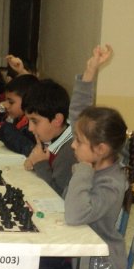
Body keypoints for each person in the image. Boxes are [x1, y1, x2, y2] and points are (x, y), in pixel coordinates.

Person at [21, 45, 113, 196]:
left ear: (57, 120)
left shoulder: (70, 153)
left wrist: (41, 164)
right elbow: (78, 109)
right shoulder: (58, 136)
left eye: (34, 121)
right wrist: (89, 71)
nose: (30, 128)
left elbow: (60, 197)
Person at [64, 106, 131, 269]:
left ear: (101, 149)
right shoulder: (97, 170)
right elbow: (68, 199)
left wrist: (83, 170)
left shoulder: (110, 184)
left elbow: (74, 215)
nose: (73, 145)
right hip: (79, 256)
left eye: (79, 141)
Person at [0, 74, 39, 155]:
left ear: (27, 101)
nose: (6, 105)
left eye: (11, 102)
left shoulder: (32, 125)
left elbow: (30, 149)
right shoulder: (17, 118)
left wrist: (5, 130)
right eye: (6, 101)